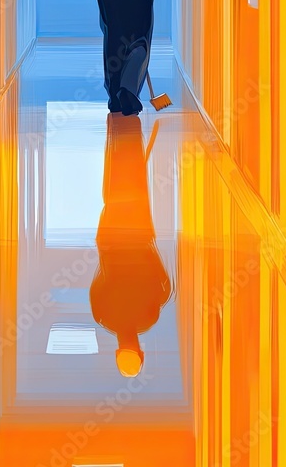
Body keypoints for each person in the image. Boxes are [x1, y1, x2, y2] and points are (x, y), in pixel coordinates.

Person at [90, 113, 173, 377]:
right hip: (112, 237)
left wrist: (148, 249)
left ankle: (127, 129)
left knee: (133, 183)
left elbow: (162, 281)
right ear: (118, 352)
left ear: (141, 352)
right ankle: (117, 128)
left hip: (137, 235)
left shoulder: (150, 316)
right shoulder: (102, 315)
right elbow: (100, 275)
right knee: (113, 187)